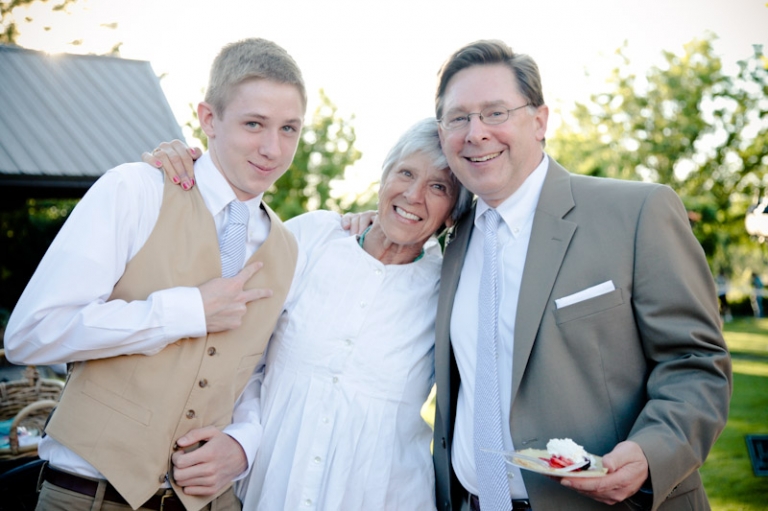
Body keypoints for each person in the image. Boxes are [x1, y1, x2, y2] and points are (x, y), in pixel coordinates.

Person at [4, 38, 306, 511]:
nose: (273, 148)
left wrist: (243, 444)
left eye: (289, 128)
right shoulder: (134, 190)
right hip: (90, 498)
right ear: (209, 119)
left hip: (211, 502)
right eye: (254, 124)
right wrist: (185, 310)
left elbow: (256, 372)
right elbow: (31, 334)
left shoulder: (289, 249)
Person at [430, 40, 732, 511]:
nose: (476, 133)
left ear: (540, 120)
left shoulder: (636, 212)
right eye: (458, 118)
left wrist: (651, 453)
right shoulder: (450, 237)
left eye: (495, 113)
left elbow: (695, 362)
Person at [144, 118, 472, 509]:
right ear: (384, 177)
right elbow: (242, 355)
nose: (414, 195)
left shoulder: (450, 286)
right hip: (269, 489)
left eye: (439, 187)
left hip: (384, 495)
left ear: (453, 211)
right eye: (405, 173)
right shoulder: (312, 237)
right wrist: (189, 169)